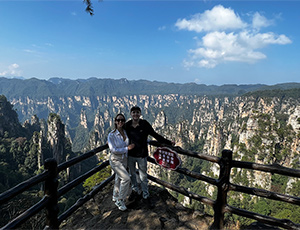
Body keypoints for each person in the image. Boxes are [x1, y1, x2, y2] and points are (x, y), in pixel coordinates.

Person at [125, 106, 174, 208]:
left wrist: (168, 142)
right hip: (130, 155)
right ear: (131, 114)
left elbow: (155, 135)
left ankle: (145, 195)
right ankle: (135, 191)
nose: (135, 114)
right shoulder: (127, 125)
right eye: (133, 112)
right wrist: (110, 140)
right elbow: (119, 133)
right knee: (132, 174)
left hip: (142, 155)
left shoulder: (144, 124)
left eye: (137, 112)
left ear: (140, 114)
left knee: (143, 176)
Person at [107, 113, 135, 211]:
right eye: (118, 120)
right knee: (126, 178)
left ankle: (115, 196)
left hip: (124, 159)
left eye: (122, 120)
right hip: (115, 159)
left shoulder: (126, 132)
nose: (120, 122)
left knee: (118, 178)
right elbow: (113, 149)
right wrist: (127, 148)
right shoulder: (111, 135)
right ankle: (121, 200)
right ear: (115, 121)